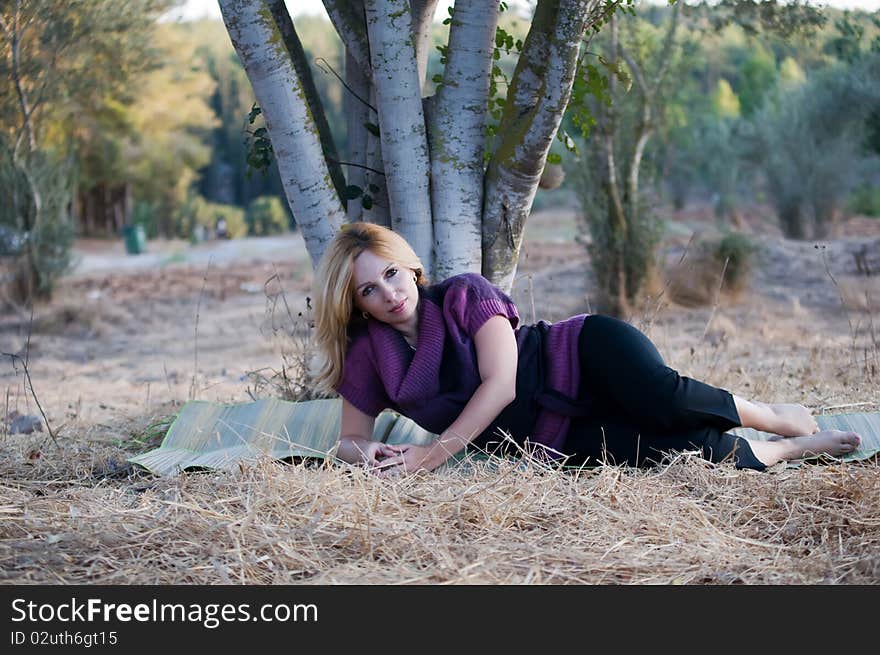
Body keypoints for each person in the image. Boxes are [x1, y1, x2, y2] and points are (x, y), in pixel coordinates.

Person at [313, 222, 862, 477]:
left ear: (410, 265)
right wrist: (377, 455)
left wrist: (429, 457)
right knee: (682, 455)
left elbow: (500, 386)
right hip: (550, 437)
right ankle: (790, 451)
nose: (389, 294)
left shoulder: (463, 295)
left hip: (584, 356)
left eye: (391, 273)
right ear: (357, 304)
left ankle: (774, 416)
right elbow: (349, 442)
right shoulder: (370, 356)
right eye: (369, 289)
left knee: (663, 401)